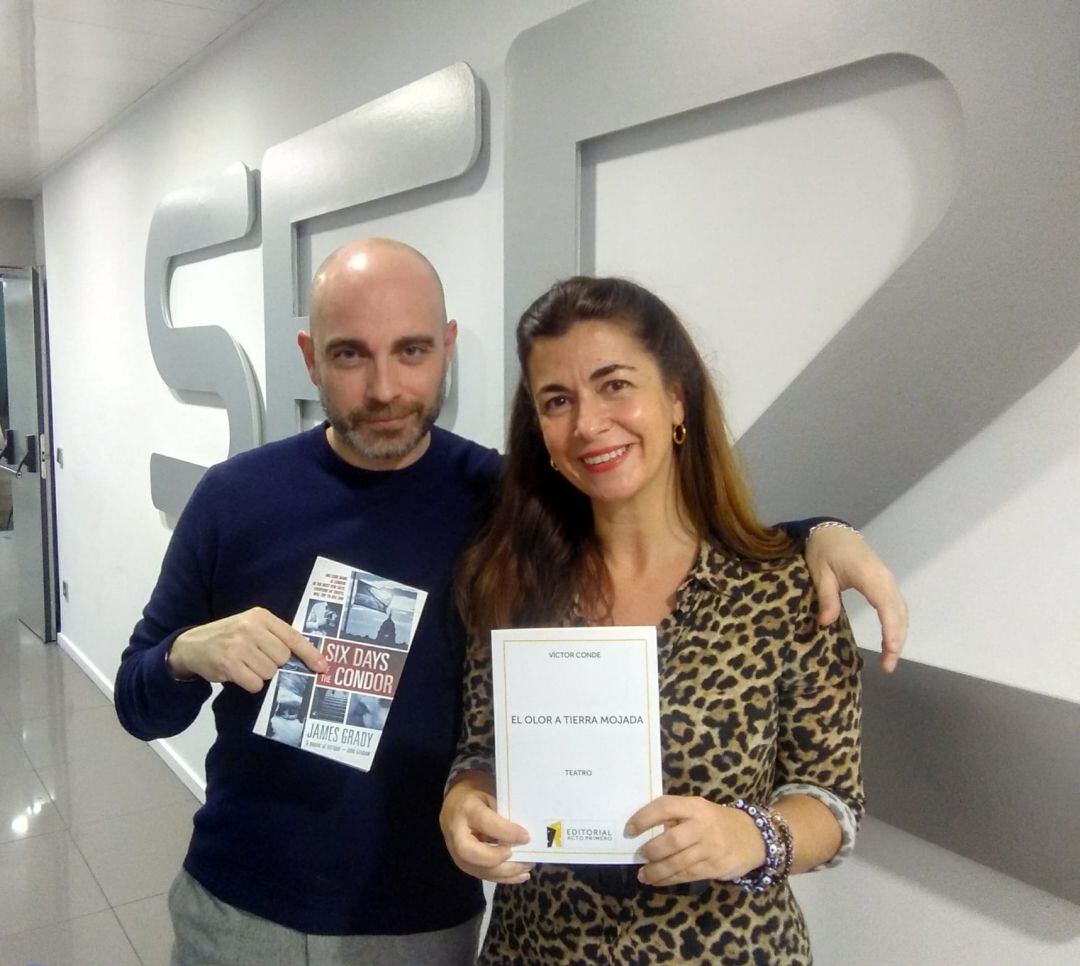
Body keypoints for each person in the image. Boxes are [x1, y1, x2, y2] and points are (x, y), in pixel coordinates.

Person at [115, 239, 904, 965]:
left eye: (412, 351)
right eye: (350, 355)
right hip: (244, 910)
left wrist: (816, 536)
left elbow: (655, 513)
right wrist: (186, 655)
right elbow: (139, 701)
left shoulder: (501, 511)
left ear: (447, 348)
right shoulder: (237, 500)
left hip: (423, 923)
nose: (385, 387)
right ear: (309, 359)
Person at [442, 276, 866, 964]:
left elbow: (832, 798)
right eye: (558, 401)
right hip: (541, 949)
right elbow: (482, 751)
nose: (587, 424)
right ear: (541, 432)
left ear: (676, 398)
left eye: (615, 385)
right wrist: (465, 803)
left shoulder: (785, 586)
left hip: (725, 949)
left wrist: (752, 837)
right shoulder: (512, 582)